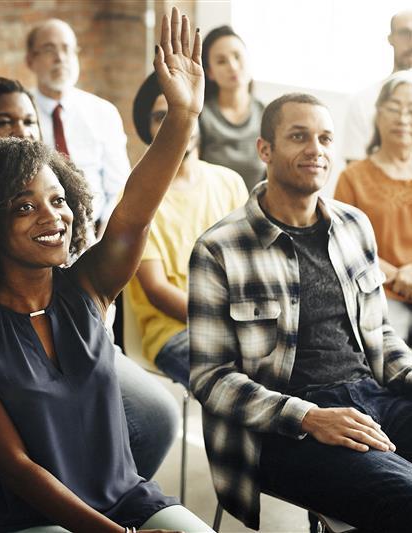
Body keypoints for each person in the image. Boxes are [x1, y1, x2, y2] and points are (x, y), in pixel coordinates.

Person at [0, 9, 212, 532]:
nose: (53, 216)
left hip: (125, 499)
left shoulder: (88, 287)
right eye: (24, 206)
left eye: (58, 200)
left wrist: (182, 117)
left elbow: (134, 214)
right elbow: (16, 467)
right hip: (29, 518)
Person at [0, 77, 180, 481]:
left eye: (30, 121)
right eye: (4, 122)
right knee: (38, 438)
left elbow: (93, 282)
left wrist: (75, 350)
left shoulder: (55, 207)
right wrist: (24, 365)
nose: (21, 131)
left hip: (62, 348)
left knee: (153, 418)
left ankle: (104, 495)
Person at [189, 93, 412, 531]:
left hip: (373, 397)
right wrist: (309, 416)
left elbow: (381, 335)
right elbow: (210, 378)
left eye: (325, 138)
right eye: (298, 136)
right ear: (265, 150)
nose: (316, 149)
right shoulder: (220, 248)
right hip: (286, 428)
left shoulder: (353, 226)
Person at [126, 72, 248, 388]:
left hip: (238, 322)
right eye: (160, 116)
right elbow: (156, 289)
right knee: (241, 388)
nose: (176, 123)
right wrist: (223, 322)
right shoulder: (137, 200)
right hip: (174, 332)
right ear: (147, 129)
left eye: (183, 113)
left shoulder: (229, 182)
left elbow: (251, 262)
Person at [25, 18, 130, 227]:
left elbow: (119, 187)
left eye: (67, 49)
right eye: (48, 49)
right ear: (30, 61)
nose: (60, 58)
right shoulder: (21, 112)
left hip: (95, 231)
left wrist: (105, 236)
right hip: (39, 229)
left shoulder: (103, 112)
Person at [336, 71, 412, 345]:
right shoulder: (353, 177)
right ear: (378, 115)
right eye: (394, 109)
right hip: (377, 292)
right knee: (392, 356)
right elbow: (343, 245)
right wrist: (396, 276)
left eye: (410, 110)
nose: (403, 119)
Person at [199, 26, 265, 191]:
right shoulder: (201, 116)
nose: (233, 66)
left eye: (237, 56)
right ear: (210, 73)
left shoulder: (266, 114)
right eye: (221, 61)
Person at [342, 9, 412, 164]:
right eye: (405, 33)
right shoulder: (362, 101)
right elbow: (355, 178)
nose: (411, 41)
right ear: (391, 38)